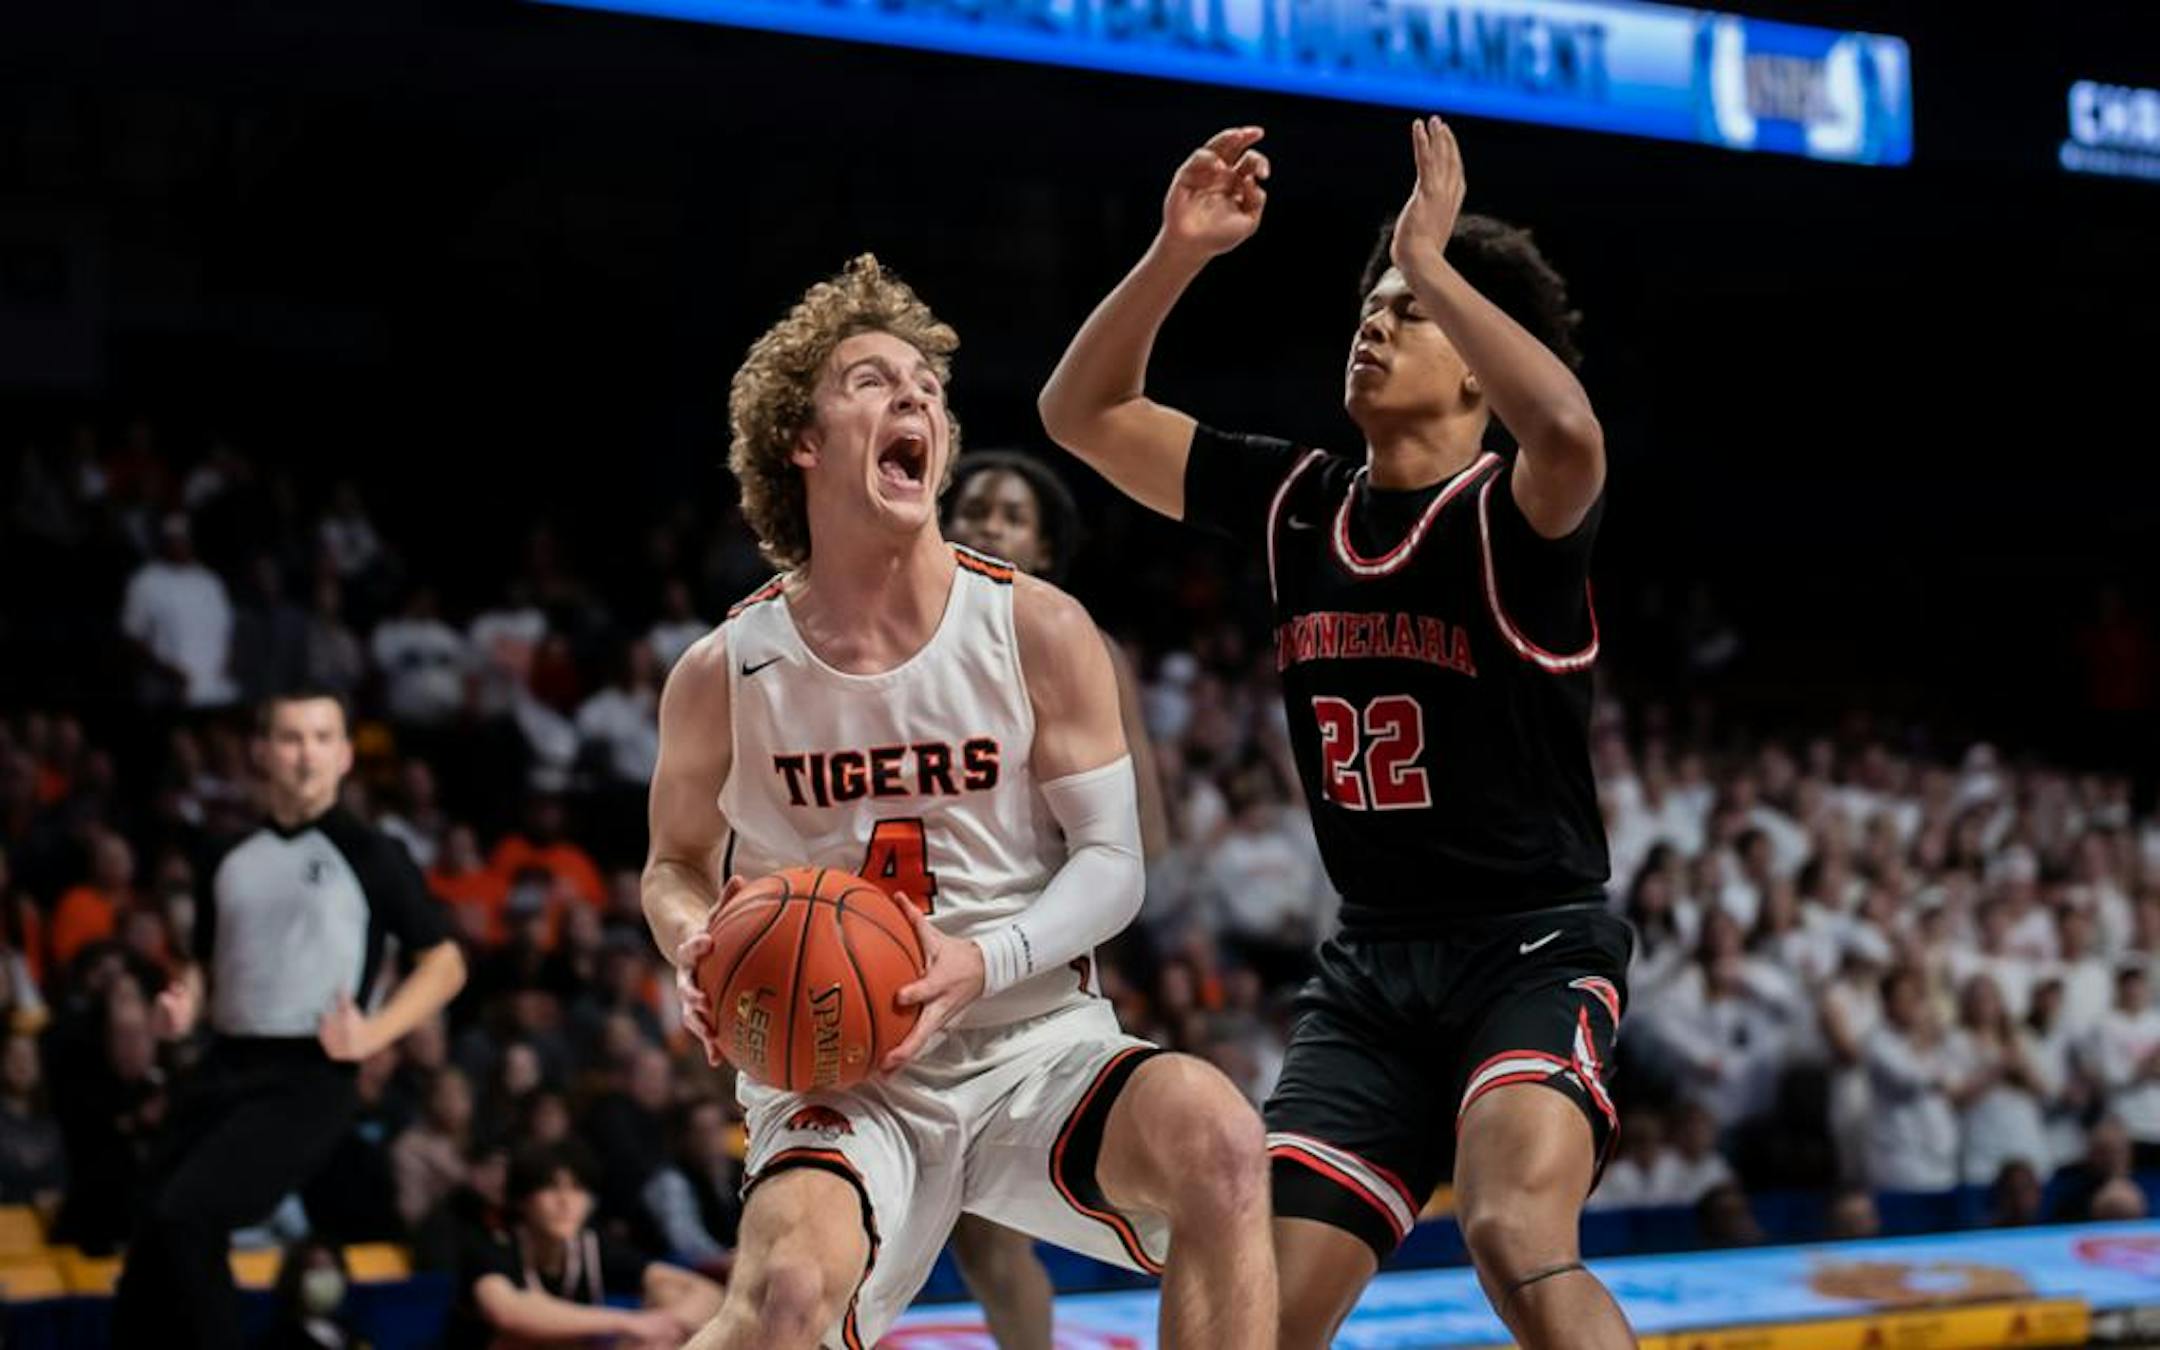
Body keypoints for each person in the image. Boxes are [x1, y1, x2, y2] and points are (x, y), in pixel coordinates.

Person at [1039, 121, 1631, 1348]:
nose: (1374, 318)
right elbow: (1081, 410)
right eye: (1373, 301)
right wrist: (1174, 252)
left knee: (1514, 1231)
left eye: (1409, 312)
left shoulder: (1510, 518)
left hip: (1527, 949)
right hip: (1371, 976)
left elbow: (1569, 433)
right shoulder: (1297, 502)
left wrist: (1435, 253)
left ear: (1477, 364)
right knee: (1243, 1292)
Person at [644, 255, 1276, 1350]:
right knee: (786, 1296)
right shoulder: (724, 670)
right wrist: (699, 945)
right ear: (802, 438)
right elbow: (673, 864)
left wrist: (983, 961)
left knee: (1220, 1140)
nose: (916, 399)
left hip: (1028, 1038)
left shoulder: (1038, 627)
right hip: (837, 1061)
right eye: (873, 381)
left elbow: (1115, 865)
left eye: (929, 389)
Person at [112, 690, 469, 1349]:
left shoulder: (372, 853)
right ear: (261, 752)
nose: (305, 754)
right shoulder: (224, 853)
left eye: (320, 738)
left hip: (309, 1075)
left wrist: (373, 1033)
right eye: (289, 739)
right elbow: (203, 963)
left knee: (188, 1217)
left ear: (344, 756)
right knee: (148, 1246)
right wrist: (185, 1001)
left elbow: (445, 964)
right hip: (222, 1065)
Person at [943, 448, 1173, 1350]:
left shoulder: (1073, 642)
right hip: (899, 946)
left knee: (995, 1230)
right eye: (974, 508)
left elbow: (1141, 836)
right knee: (957, 1237)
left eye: (1011, 515)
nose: (988, 525)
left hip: (1022, 963)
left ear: (1043, 550)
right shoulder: (888, 629)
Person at [448, 1141, 722, 1349]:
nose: (566, 1202)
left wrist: (668, 1324)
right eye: (551, 1188)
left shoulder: (590, 1246)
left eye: (577, 1189)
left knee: (668, 1302)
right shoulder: (491, 1245)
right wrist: (628, 1322)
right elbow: (508, 1312)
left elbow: (706, 1293)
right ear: (521, 1199)